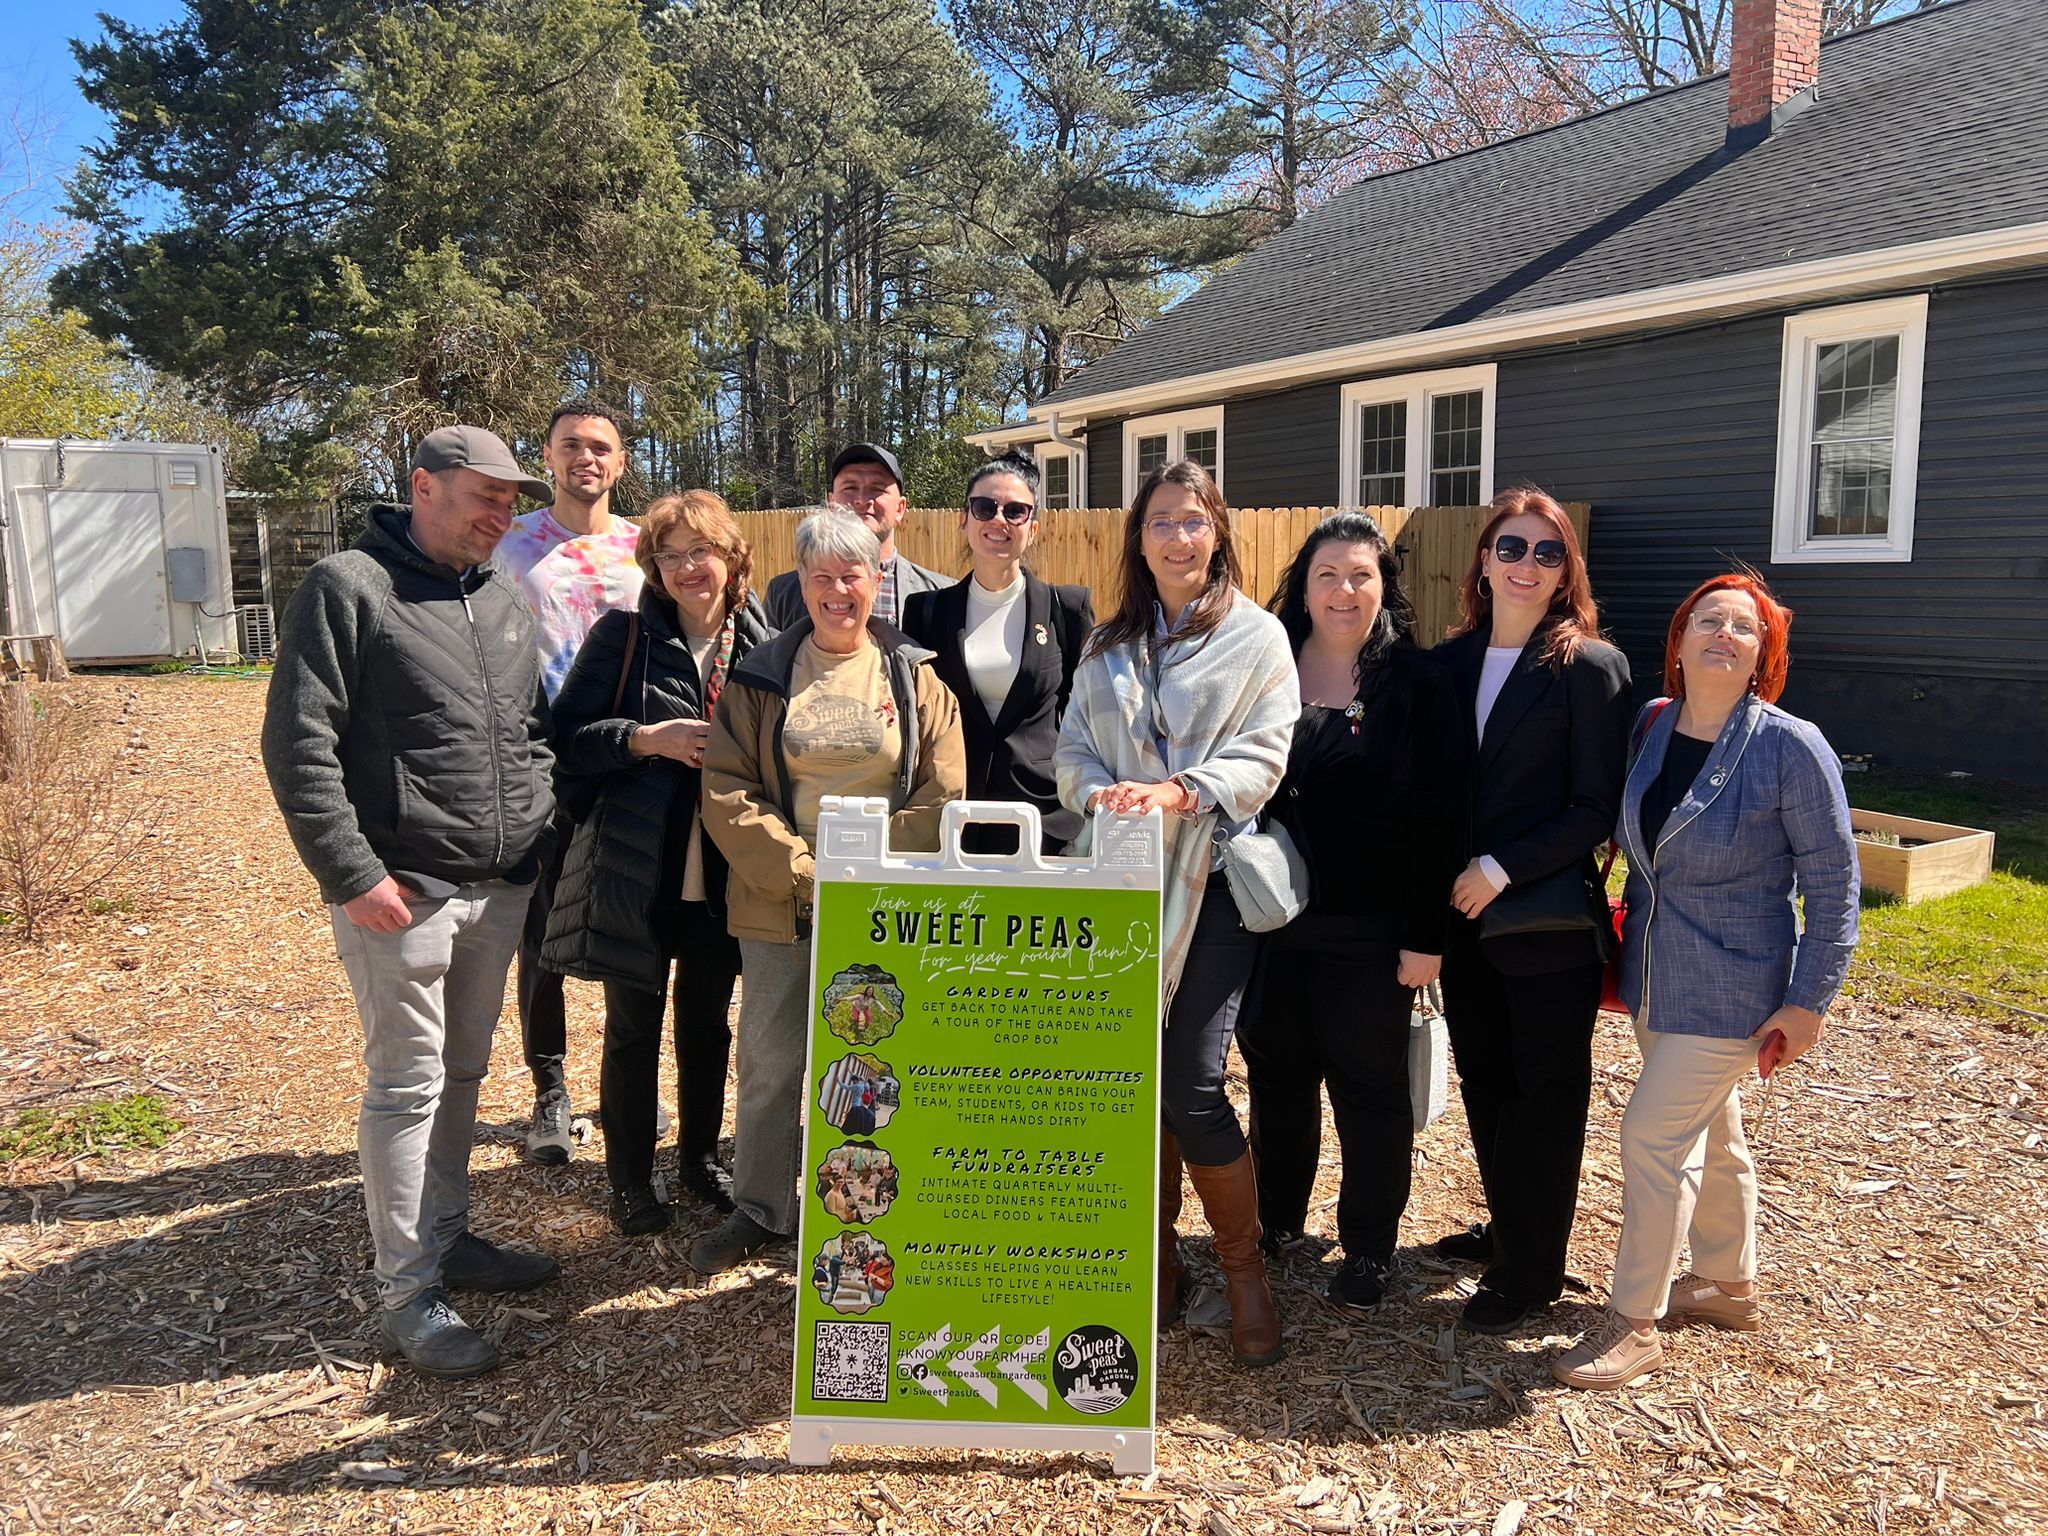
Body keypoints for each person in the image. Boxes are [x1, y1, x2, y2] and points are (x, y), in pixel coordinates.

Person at [261, 425, 561, 1379]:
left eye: (512, 499)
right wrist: (353, 874)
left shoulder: (505, 597)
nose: (501, 513)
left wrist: (537, 824)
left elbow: (532, 730)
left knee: (466, 1075)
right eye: (484, 495)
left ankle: (448, 1237)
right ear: (424, 487)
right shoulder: (352, 587)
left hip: (499, 887)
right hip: (405, 891)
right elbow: (298, 745)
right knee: (406, 1086)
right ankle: (407, 1291)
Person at [1553, 573, 1858, 1389]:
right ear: (1680, 639)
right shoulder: (1654, 724)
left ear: (1766, 654)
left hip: (1736, 990)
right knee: (1714, 1134)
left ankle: (1636, 1322)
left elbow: (1835, 884)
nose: (1724, 636)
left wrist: (1809, 1001)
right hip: (1656, 976)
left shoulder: (1791, 746)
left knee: (1653, 1138)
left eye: (1745, 629)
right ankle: (1728, 1282)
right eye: (1708, 621)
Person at [1055, 459, 1300, 1368]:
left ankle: (1244, 1275)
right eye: (1160, 521)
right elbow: (1073, 747)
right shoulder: (1107, 644)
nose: (1177, 537)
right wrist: (1101, 796)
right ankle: (1151, 1267)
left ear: (1218, 532)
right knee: (1127, 1072)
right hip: (1119, 879)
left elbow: (1265, 755)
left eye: (1192, 521)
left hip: (1213, 879)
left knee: (1192, 1081)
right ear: (1140, 539)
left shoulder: (1260, 640)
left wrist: (1178, 793)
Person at [692, 508, 965, 1272]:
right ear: (801, 584)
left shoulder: (914, 674)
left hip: (886, 905)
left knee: (883, 1063)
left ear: (878, 582)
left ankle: (872, 1206)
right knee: (774, 1059)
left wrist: (868, 874)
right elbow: (728, 789)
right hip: (783, 898)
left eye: (853, 575)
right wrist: (805, 873)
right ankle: (763, 1205)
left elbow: (944, 793)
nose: (838, 590)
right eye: (822, 577)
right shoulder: (762, 676)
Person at [1239, 513, 1467, 1312]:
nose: (1344, 590)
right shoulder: (1262, 662)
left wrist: (1425, 938)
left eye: (1361, 575)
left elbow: (1443, 815)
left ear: (1385, 587)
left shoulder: (1417, 681)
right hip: (1265, 921)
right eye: (1327, 574)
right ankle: (1277, 1223)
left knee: (1369, 1090)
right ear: (1303, 586)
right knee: (1277, 1077)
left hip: (1371, 926)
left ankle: (1369, 1246)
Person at [541, 491, 773, 1235]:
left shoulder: (765, 641)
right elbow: (566, 738)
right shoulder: (626, 635)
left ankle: (701, 1161)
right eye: (668, 555)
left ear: (732, 558)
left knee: (707, 1022)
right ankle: (630, 1181)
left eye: (699, 551)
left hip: (726, 867)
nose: (685, 568)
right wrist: (646, 739)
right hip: (636, 862)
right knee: (632, 1023)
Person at [1431, 487, 1633, 1335]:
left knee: (1545, 1094)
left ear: (1567, 572)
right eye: (1511, 548)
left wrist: (1499, 866)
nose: (1527, 565)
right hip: (1464, 919)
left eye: (1548, 553)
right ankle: (1511, 1227)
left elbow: (1597, 805)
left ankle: (1532, 1273)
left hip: (1544, 920)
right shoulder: (1448, 662)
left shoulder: (1589, 668)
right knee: (1485, 1082)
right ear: (1484, 560)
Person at [493, 398, 644, 1166]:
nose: (586, 458)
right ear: (547, 458)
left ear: (621, 463)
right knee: (543, 926)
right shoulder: (513, 548)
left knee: (626, 919)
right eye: (570, 445)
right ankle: (549, 1089)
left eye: (601, 447)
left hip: (626, 756)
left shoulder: (644, 550)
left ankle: (625, 1090)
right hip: (541, 757)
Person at [903, 452, 1094, 855]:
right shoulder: (924, 612)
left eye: (1015, 510)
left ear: (1034, 527)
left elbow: (1086, 716)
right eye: (984, 507)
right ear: (964, 519)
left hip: (1044, 822)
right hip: (950, 818)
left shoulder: (1067, 610)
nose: (998, 519)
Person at [763, 444, 947, 630]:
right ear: (832, 503)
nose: (861, 499)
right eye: (850, 487)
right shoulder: (783, 593)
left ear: (900, 508)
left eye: (877, 489)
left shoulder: (938, 595)